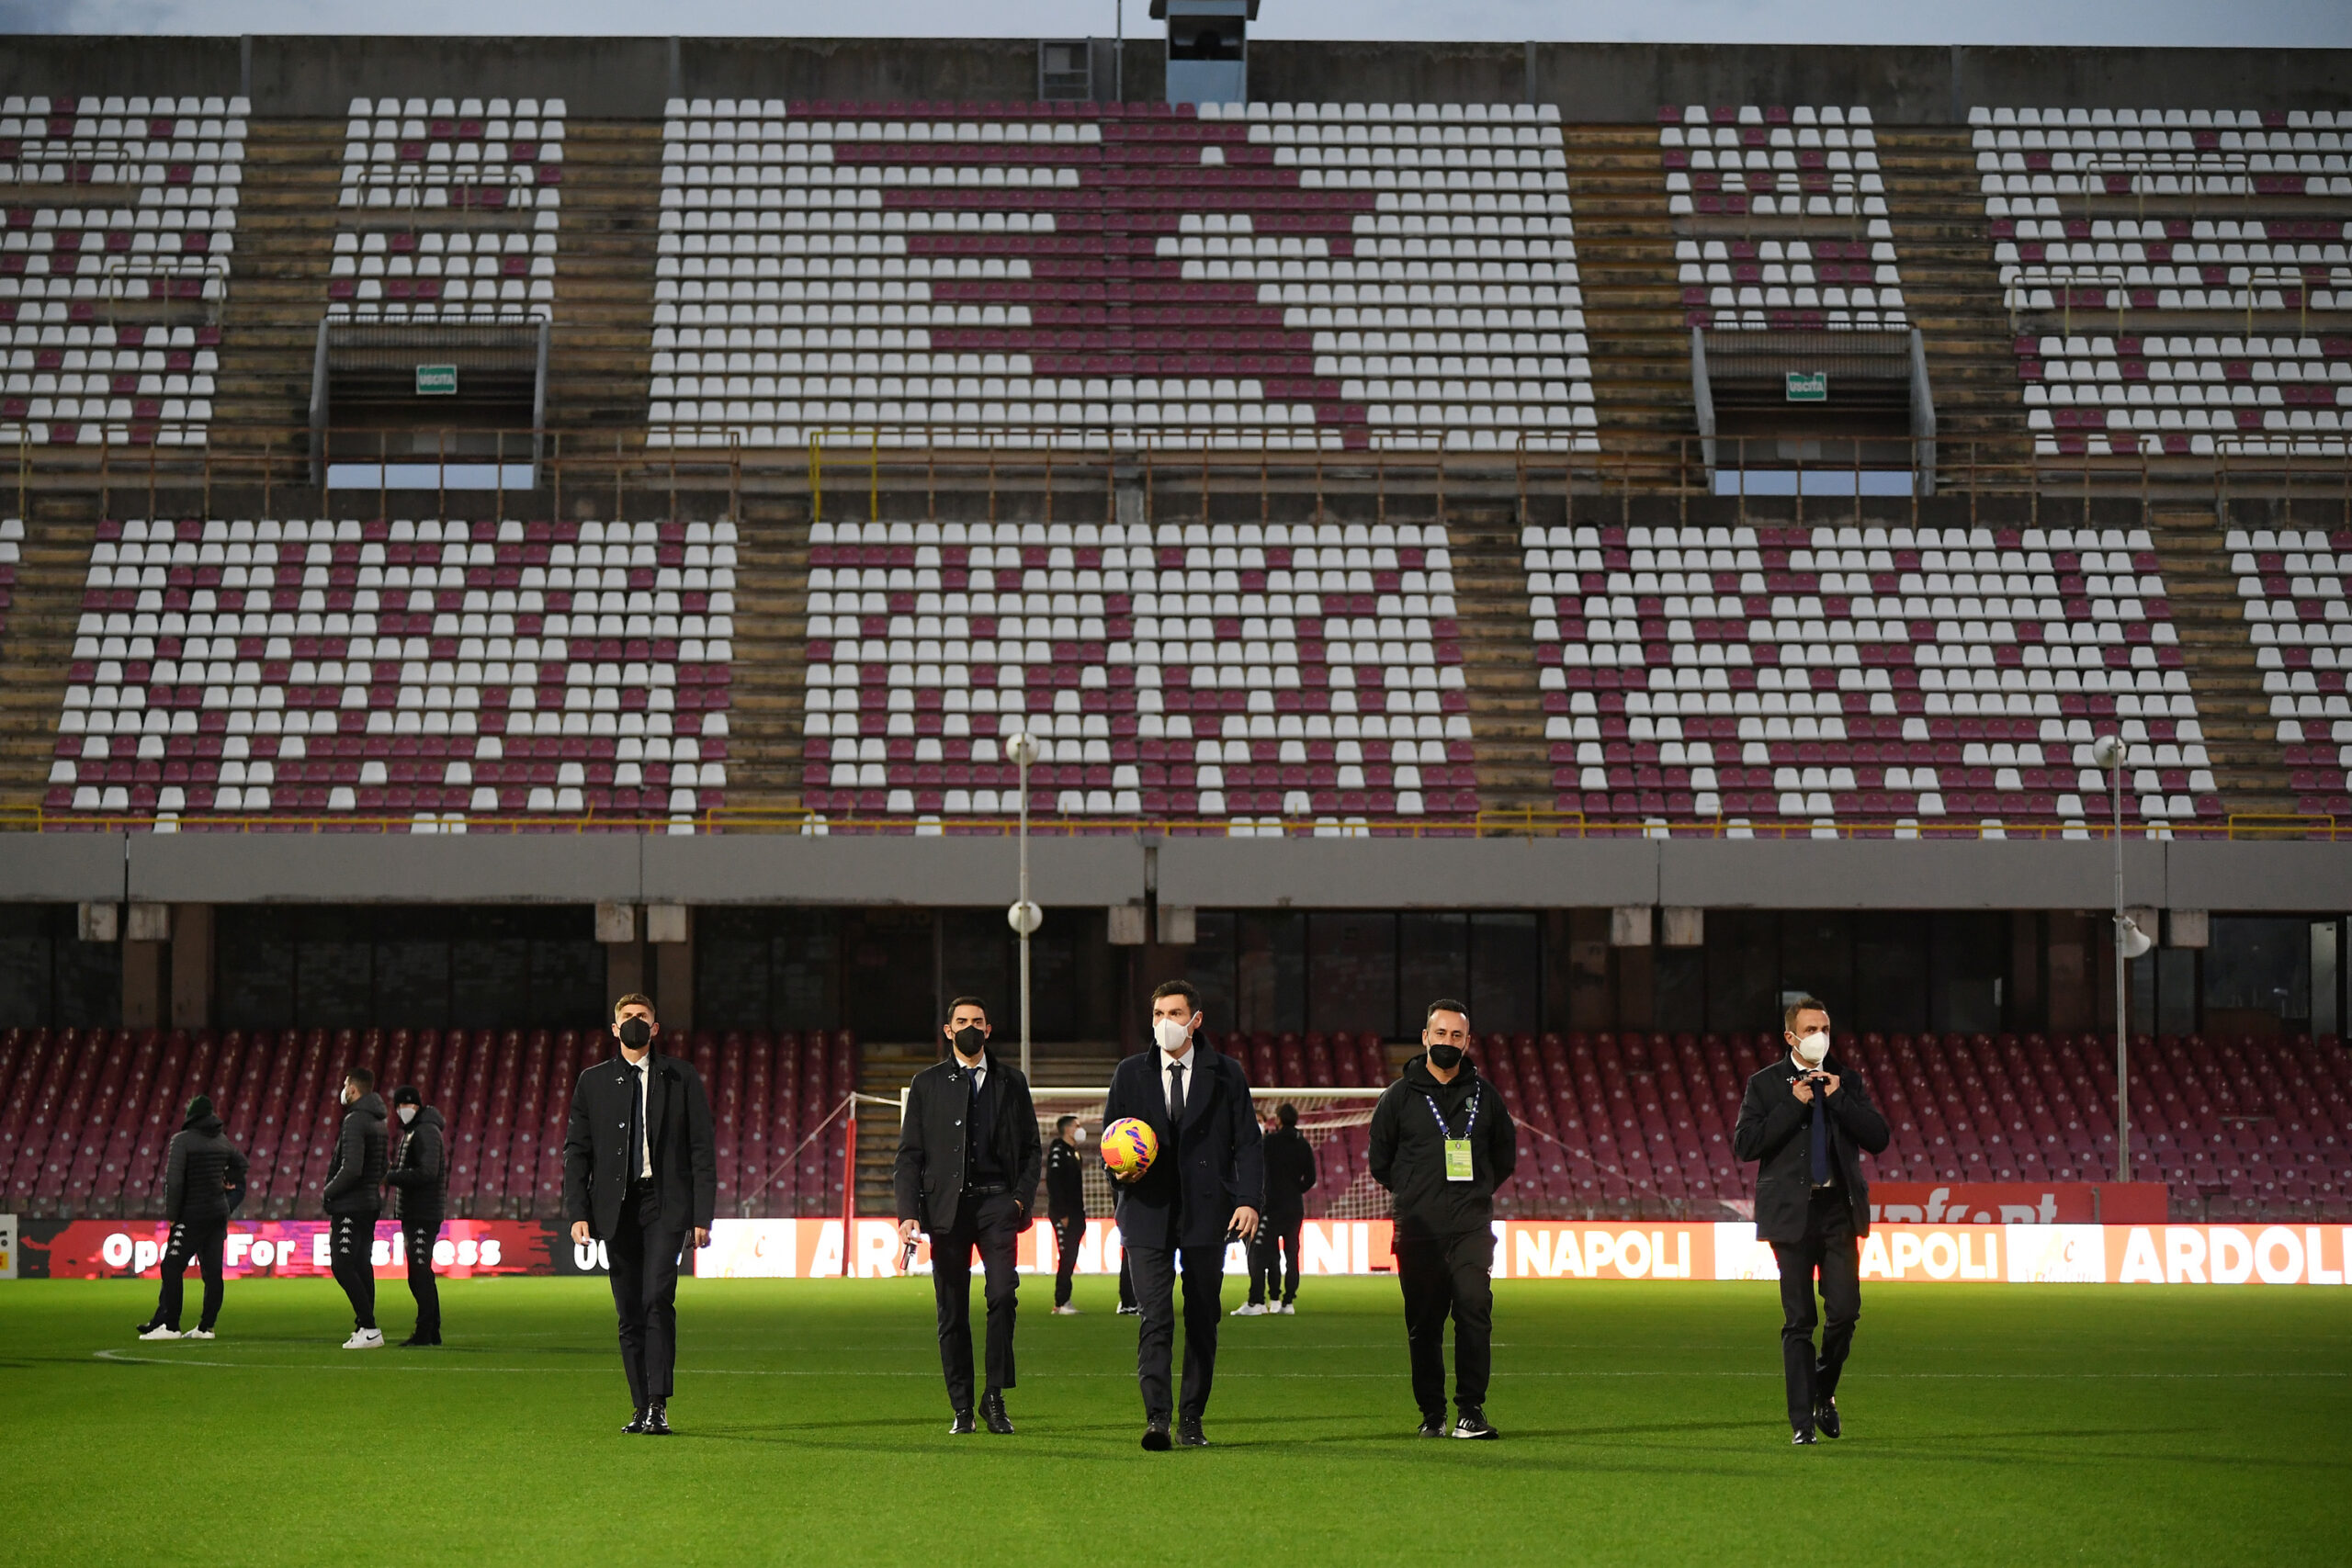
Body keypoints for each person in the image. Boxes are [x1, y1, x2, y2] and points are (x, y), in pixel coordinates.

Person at [1102, 979, 1263, 1450]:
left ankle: (1192, 1418)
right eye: (1157, 1014)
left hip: (1207, 1215)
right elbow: (1111, 1143)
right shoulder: (1130, 1073)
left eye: (1174, 1014)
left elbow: (1248, 1143)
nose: (1164, 1023)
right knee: (1155, 1316)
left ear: (1196, 1020)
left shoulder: (1228, 1074)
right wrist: (1121, 1175)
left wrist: (1249, 1200)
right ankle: (1157, 1419)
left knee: (1202, 1317)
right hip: (1146, 1213)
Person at [1734, 997, 1891, 1445]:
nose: (1819, 1035)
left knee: (1844, 1312)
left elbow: (1878, 1137)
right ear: (1790, 1037)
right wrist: (1792, 1102)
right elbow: (1746, 1145)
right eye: (1810, 1028)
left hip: (1838, 1210)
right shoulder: (1764, 1085)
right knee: (1799, 1318)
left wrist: (1839, 1098)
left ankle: (1824, 1387)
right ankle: (1802, 1423)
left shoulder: (1847, 1081)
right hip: (1791, 1216)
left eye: (1824, 1027)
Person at [564, 993, 718, 1437]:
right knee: (628, 1310)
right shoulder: (592, 1082)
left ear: (655, 1028)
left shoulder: (681, 1077)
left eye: (642, 1017)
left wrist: (701, 1215)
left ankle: (658, 1404)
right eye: (626, 1017)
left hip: (664, 1205)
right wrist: (579, 1210)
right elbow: (577, 1152)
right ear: (615, 1030)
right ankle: (638, 1406)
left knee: (656, 1299)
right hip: (615, 1208)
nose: (633, 1023)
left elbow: (701, 1150)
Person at [1369, 1000, 1518, 1440]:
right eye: (1441, 1034)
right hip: (1419, 1232)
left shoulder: (1486, 1097)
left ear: (1468, 1042)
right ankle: (1432, 1413)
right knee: (1424, 1325)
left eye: (1457, 1036)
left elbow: (1504, 1158)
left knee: (1475, 1311)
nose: (1448, 1042)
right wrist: (1417, 1195)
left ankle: (1470, 1411)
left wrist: (1472, 1195)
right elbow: (1380, 1162)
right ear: (1425, 1038)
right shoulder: (1397, 1098)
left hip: (1472, 1227)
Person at [894, 997, 1042, 1435]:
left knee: (1002, 1296)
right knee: (951, 1309)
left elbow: (1032, 1149)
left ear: (989, 1030)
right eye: (962, 1022)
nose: (970, 1028)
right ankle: (961, 1406)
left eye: (977, 1021)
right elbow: (909, 1157)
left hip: (999, 1205)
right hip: (946, 1211)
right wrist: (908, 1213)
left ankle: (993, 1397)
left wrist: (1019, 1199)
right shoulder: (926, 1084)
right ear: (948, 1030)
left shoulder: (1012, 1082)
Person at [135, 1094, 248, 1341]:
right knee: (212, 1273)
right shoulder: (222, 1141)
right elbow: (242, 1164)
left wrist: (173, 1215)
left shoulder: (182, 1141)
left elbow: (173, 1181)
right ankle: (206, 1327)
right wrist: (227, 1178)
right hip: (217, 1214)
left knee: (172, 1266)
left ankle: (171, 1325)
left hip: (191, 1214)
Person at [322, 1066, 389, 1350]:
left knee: (342, 1264)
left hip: (350, 1205)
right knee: (361, 1264)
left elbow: (351, 1168)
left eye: (346, 1084)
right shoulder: (379, 1121)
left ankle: (369, 1327)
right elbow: (382, 1166)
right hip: (369, 1203)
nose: (343, 1089)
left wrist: (328, 1191)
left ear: (354, 1089)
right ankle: (364, 1327)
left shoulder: (355, 1120)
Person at [1238, 1102, 1317, 1316]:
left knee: (1261, 1252)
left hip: (1272, 1207)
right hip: (1294, 1207)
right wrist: (1295, 1190)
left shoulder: (1270, 1142)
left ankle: (1257, 1301)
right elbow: (1311, 1178)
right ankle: (1287, 1303)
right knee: (1292, 1254)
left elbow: (1257, 1167)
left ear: (1279, 1120)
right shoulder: (1304, 1144)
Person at [385, 1085, 447, 1348]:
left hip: (422, 1210)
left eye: (405, 1106)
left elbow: (427, 1172)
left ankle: (425, 1331)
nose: (402, 1111)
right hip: (417, 1211)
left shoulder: (425, 1131)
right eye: (399, 1106)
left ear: (416, 1106)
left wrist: (391, 1176)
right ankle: (431, 1330)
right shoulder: (417, 1131)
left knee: (419, 1273)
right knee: (421, 1272)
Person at [1045, 1114, 1088, 1315]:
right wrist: (1062, 1212)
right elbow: (1053, 1183)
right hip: (1065, 1214)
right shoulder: (1058, 1151)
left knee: (1071, 1256)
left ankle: (1064, 1301)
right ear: (1068, 1129)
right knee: (1066, 1256)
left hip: (1076, 1213)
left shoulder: (1073, 1152)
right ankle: (1061, 1302)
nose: (1080, 1129)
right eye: (1077, 1126)